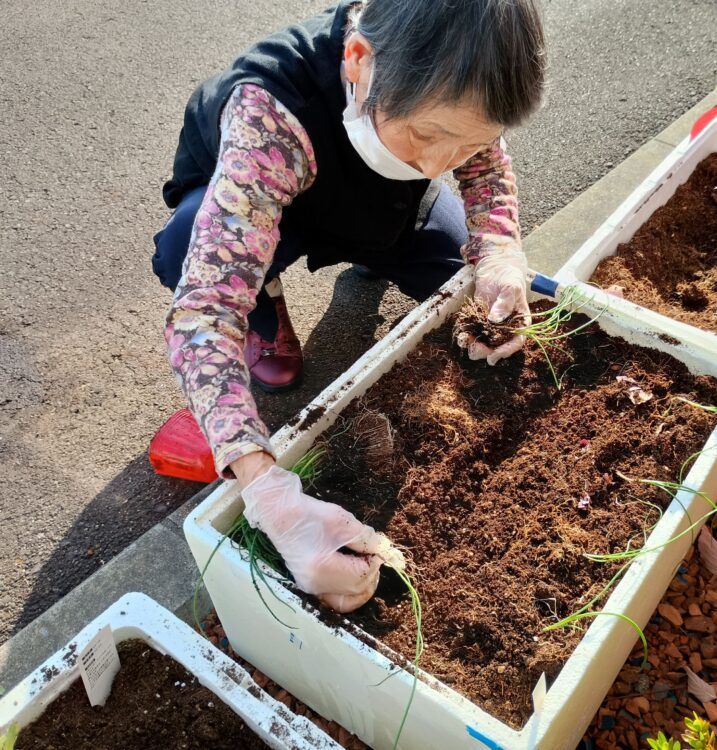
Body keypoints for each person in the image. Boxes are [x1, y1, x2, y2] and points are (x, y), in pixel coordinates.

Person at [152, 0, 545, 612]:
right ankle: (268, 304)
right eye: (429, 136)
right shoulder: (270, 118)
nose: (443, 163)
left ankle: (374, 248)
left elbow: (482, 162)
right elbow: (205, 313)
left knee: (457, 276)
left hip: (377, 196)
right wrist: (268, 493)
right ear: (359, 63)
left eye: (460, 144)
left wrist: (498, 247)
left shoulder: (441, 102)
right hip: (274, 209)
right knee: (189, 252)